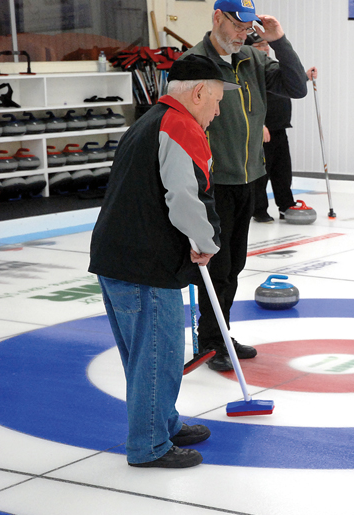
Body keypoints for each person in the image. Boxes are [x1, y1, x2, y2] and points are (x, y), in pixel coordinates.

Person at [89, 55, 238, 468]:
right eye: (218, 99)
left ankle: (163, 422)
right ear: (199, 91)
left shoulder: (150, 120)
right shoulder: (180, 125)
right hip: (145, 264)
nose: (218, 110)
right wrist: (206, 242)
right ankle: (149, 445)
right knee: (158, 356)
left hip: (119, 257)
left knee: (146, 356)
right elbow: (184, 197)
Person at [181, 0, 308, 372]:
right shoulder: (195, 63)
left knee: (233, 266)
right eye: (237, 25)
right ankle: (210, 341)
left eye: (247, 27)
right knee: (215, 267)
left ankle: (222, 334)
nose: (242, 33)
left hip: (249, 177)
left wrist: (279, 41)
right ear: (217, 17)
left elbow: (296, 87)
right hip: (212, 182)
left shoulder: (252, 58)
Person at [247, 38, 317, 223]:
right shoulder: (252, 70)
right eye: (259, 46)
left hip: (280, 126)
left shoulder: (271, 67)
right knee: (263, 172)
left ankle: (285, 205)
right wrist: (259, 125)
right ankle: (259, 209)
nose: (265, 49)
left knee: (282, 171)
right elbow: (248, 101)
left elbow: (287, 82)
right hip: (262, 130)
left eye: (265, 45)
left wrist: (304, 76)